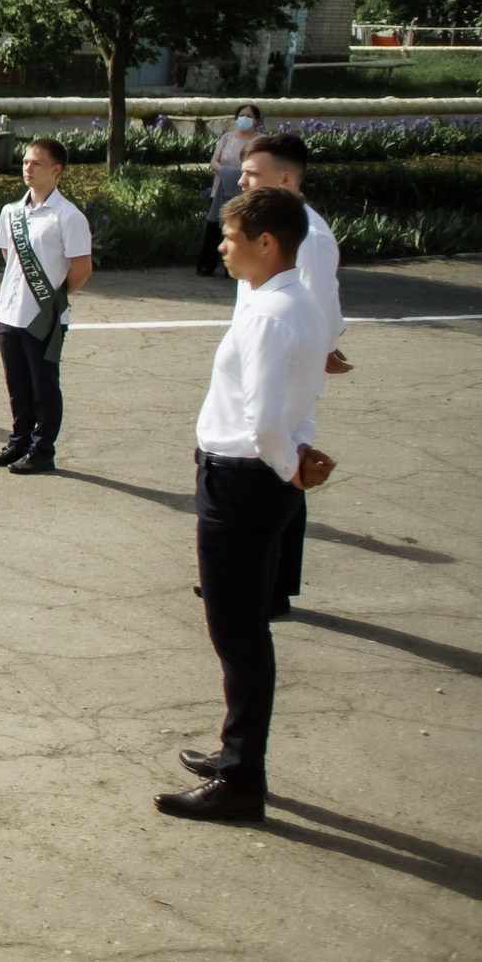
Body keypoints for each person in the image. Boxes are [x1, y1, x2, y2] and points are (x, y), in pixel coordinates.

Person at [157, 187, 331, 823]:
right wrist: (297, 461)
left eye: (230, 237)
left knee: (237, 633)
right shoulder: (294, 301)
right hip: (261, 480)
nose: (221, 246)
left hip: (243, 482)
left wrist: (289, 468)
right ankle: (236, 753)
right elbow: (301, 401)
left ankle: (240, 782)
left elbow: (262, 422)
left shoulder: (269, 316)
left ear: (266, 242)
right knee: (245, 629)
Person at [235, 132, 348, 619]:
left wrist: (326, 347)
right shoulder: (264, 224)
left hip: (285, 367)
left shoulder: (311, 237)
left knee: (281, 468)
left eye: (252, 174)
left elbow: (320, 304)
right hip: (261, 358)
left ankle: (272, 588)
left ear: (285, 178)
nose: (242, 181)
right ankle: (245, 575)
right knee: (260, 469)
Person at [0, 137, 94, 476]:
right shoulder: (11, 212)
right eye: (25, 162)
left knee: (43, 386)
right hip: (9, 313)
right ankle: (19, 441)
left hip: (44, 317)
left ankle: (43, 449)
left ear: (56, 170)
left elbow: (82, 269)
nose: (27, 168)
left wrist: (53, 302)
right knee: (17, 383)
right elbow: (9, 257)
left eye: (36, 163)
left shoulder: (69, 216)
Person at [196, 103, 266, 275]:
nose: (244, 119)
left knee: (240, 228)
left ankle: (233, 268)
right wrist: (226, 172)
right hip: (220, 188)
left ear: (256, 120)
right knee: (214, 228)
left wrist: (240, 175)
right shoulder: (227, 138)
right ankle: (206, 265)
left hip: (245, 191)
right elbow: (214, 161)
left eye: (249, 116)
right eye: (242, 115)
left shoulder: (261, 141)